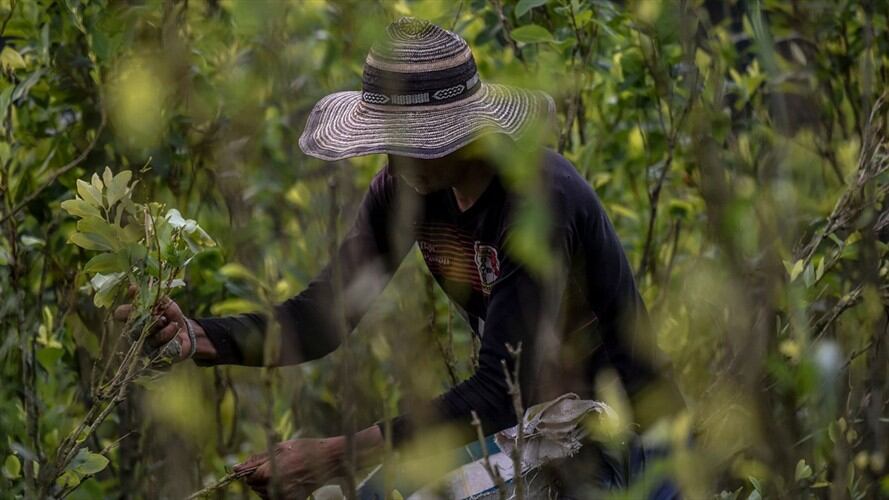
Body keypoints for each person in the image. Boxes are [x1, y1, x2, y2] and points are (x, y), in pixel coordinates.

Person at [120, 17, 683, 499]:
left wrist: (338, 453)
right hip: (529, 427)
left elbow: (498, 389)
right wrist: (200, 336)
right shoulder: (406, 189)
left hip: (621, 438)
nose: (392, 155)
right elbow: (324, 317)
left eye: (411, 137)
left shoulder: (538, 199)